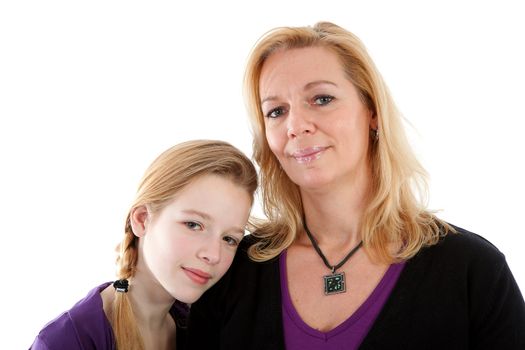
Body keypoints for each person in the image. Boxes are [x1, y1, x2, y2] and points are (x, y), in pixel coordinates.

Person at [187, 22, 525, 349]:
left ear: (372, 112)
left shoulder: (472, 270)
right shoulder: (234, 271)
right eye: (276, 111)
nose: (296, 125)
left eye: (321, 99)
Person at [30, 139, 258, 350]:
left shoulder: (203, 327)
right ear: (141, 219)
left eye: (229, 239)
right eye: (193, 225)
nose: (213, 254)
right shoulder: (67, 341)